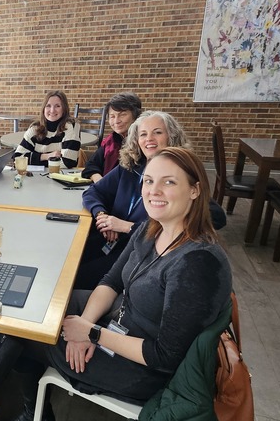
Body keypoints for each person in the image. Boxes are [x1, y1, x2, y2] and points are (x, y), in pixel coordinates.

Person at [0, 147, 232, 421]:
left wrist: (92, 334)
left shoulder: (198, 263)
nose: (154, 190)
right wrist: (86, 323)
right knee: (28, 308)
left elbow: (165, 356)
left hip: (143, 369)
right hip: (120, 321)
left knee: (23, 329)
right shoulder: (152, 228)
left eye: (169, 182)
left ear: (195, 190)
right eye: (149, 181)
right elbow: (111, 281)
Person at [77, 110, 189, 288]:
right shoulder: (130, 167)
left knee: (76, 278)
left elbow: (212, 217)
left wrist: (125, 226)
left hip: (141, 253)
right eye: (143, 134)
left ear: (171, 136)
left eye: (157, 132)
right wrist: (102, 216)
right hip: (111, 240)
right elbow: (93, 192)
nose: (149, 139)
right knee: (67, 258)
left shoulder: (182, 174)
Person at [82, 92, 142, 182]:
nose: (116, 121)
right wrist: (99, 180)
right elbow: (91, 165)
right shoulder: (111, 141)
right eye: (112, 116)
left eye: (122, 115)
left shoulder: (142, 142)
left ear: (135, 116)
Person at [13, 90, 80, 169]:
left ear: (64, 109)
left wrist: (33, 160)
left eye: (57, 106)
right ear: (43, 109)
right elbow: (17, 159)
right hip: (36, 175)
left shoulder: (71, 126)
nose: (52, 110)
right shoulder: (35, 128)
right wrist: (47, 156)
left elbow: (68, 162)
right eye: (48, 106)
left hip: (61, 175)